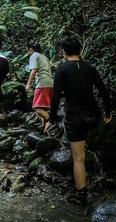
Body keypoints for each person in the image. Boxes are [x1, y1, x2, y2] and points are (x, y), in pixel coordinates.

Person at [44, 37, 112, 206]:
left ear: (63, 52)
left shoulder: (62, 69)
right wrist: (108, 111)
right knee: (85, 141)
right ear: (80, 51)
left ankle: (81, 194)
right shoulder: (90, 68)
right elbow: (104, 91)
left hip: (75, 118)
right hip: (94, 117)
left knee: (78, 159)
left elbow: (56, 97)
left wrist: (51, 119)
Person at [25, 42, 53, 128]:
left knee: (36, 107)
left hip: (42, 83)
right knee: (43, 107)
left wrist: (28, 84)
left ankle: (51, 121)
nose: (27, 52)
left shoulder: (34, 55)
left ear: (31, 49)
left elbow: (34, 70)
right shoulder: (44, 56)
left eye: (27, 50)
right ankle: (44, 128)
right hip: (50, 83)